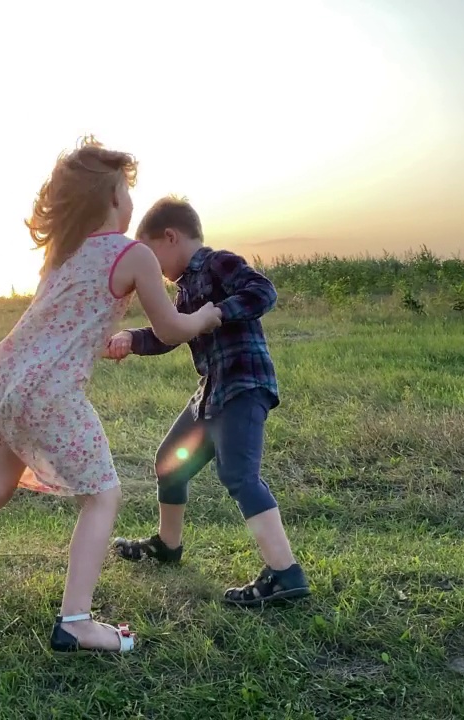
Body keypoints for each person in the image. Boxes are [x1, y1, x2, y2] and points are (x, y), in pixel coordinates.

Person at [0, 140, 223, 653]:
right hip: (51, 394)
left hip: (7, 382)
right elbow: (171, 327)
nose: (130, 200)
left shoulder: (63, 253)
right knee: (102, 496)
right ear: (113, 199)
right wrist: (205, 316)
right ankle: (75, 622)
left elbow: (65, 322)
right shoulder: (133, 253)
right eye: (126, 190)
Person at [104, 195, 310, 606]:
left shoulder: (218, 263)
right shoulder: (182, 290)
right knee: (169, 463)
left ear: (170, 237)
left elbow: (262, 292)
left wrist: (218, 311)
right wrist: (132, 338)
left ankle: (285, 574)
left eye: (152, 255)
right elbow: (173, 332)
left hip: (243, 386)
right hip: (212, 392)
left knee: (239, 475)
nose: (153, 268)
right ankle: (168, 544)